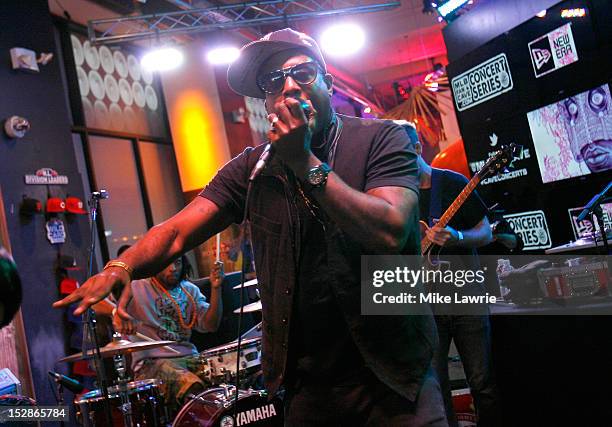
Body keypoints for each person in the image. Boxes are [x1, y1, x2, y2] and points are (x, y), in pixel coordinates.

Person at [55, 28, 446, 426]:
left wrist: (304, 162)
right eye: (273, 83)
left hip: (392, 375)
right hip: (309, 387)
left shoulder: (380, 138)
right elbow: (176, 232)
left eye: (303, 74)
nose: (289, 87)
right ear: (267, 102)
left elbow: (391, 231)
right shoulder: (252, 168)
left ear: (327, 82)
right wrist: (119, 268)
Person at [401, 122, 500, 427]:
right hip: (427, 306)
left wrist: (457, 236)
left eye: (401, 155)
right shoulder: (398, 198)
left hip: (466, 297)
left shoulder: (454, 182)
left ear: (417, 149)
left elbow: (485, 233)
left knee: (482, 382)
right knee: (436, 388)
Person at [112, 256, 224, 413]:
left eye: (177, 263)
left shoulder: (190, 290)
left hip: (189, 357)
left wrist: (216, 289)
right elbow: (97, 301)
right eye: (166, 264)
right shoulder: (136, 287)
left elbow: (211, 325)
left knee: (224, 376)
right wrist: (116, 312)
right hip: (151, 364)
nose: (173, 268)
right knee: (192, 385)